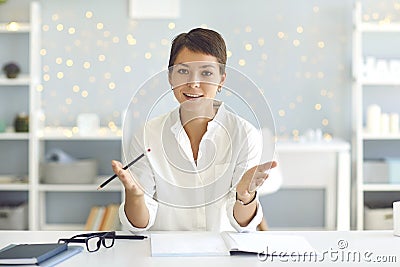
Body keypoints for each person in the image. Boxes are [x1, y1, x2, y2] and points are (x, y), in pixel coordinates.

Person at [112, 28, 277, 232]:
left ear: (221, 80)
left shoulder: (245, 135)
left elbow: (242, 225)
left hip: (224, 255)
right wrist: (136, 197)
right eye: (183, 71)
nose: (194, 83)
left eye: (206, 73)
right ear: (170, 77)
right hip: (164, 256)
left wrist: (244, 196)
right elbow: (139, 225)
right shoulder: (148, 135)